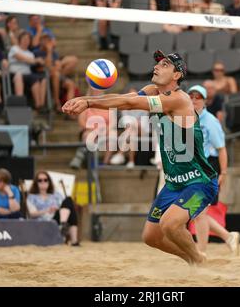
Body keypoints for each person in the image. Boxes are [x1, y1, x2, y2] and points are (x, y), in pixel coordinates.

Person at [63, 50, 218, 265]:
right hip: (174, 183)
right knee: (151, 237)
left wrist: (88, 102)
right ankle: (194, 258)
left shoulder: (179, 99)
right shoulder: (153, 90)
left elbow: (129, 105)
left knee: (170, 225)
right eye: (157, 63)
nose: (156, 66)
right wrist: (88, 99)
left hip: (199, 182)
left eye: (164, 64)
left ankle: (198, 260)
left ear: (176, 75)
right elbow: (127, 98)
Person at [187, 85, 240, 255]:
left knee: (199, 212)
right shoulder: (186, 119)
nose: (194, 100)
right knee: (196, 212)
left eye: (198, 97)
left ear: (205, 101)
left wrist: (223, 173)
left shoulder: (210, 121)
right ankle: (228, 237)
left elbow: (221, 148)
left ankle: (201, 252)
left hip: (208, 167)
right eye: (192, 96)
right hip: (193, 167)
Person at [27, 171, 80, 245]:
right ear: (36, 183)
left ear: (49, 181)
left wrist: (56, 209)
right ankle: (70, 235)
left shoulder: (56, 195)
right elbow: (32, 214)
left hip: (56, 218)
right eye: (40, 180)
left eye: (46, 180)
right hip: (43, 222)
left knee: (69, 200)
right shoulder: (32, 197)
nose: (43, 182)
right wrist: (47, 210)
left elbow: (65, 207)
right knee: (69, 207)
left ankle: (63, 226)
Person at [8, 31, 47, 110]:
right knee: (19, 76)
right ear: (20, 40)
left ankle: (39, 106)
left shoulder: (30, 53)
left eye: (28, 39)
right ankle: (20, 104)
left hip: (27, 74)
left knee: (36, 79)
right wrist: (36, 60)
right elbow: (21, 57)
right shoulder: (14, 48)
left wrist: (38, 61)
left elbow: (33, 62)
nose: (26, 41)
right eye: (24, 39)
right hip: (14, 73)